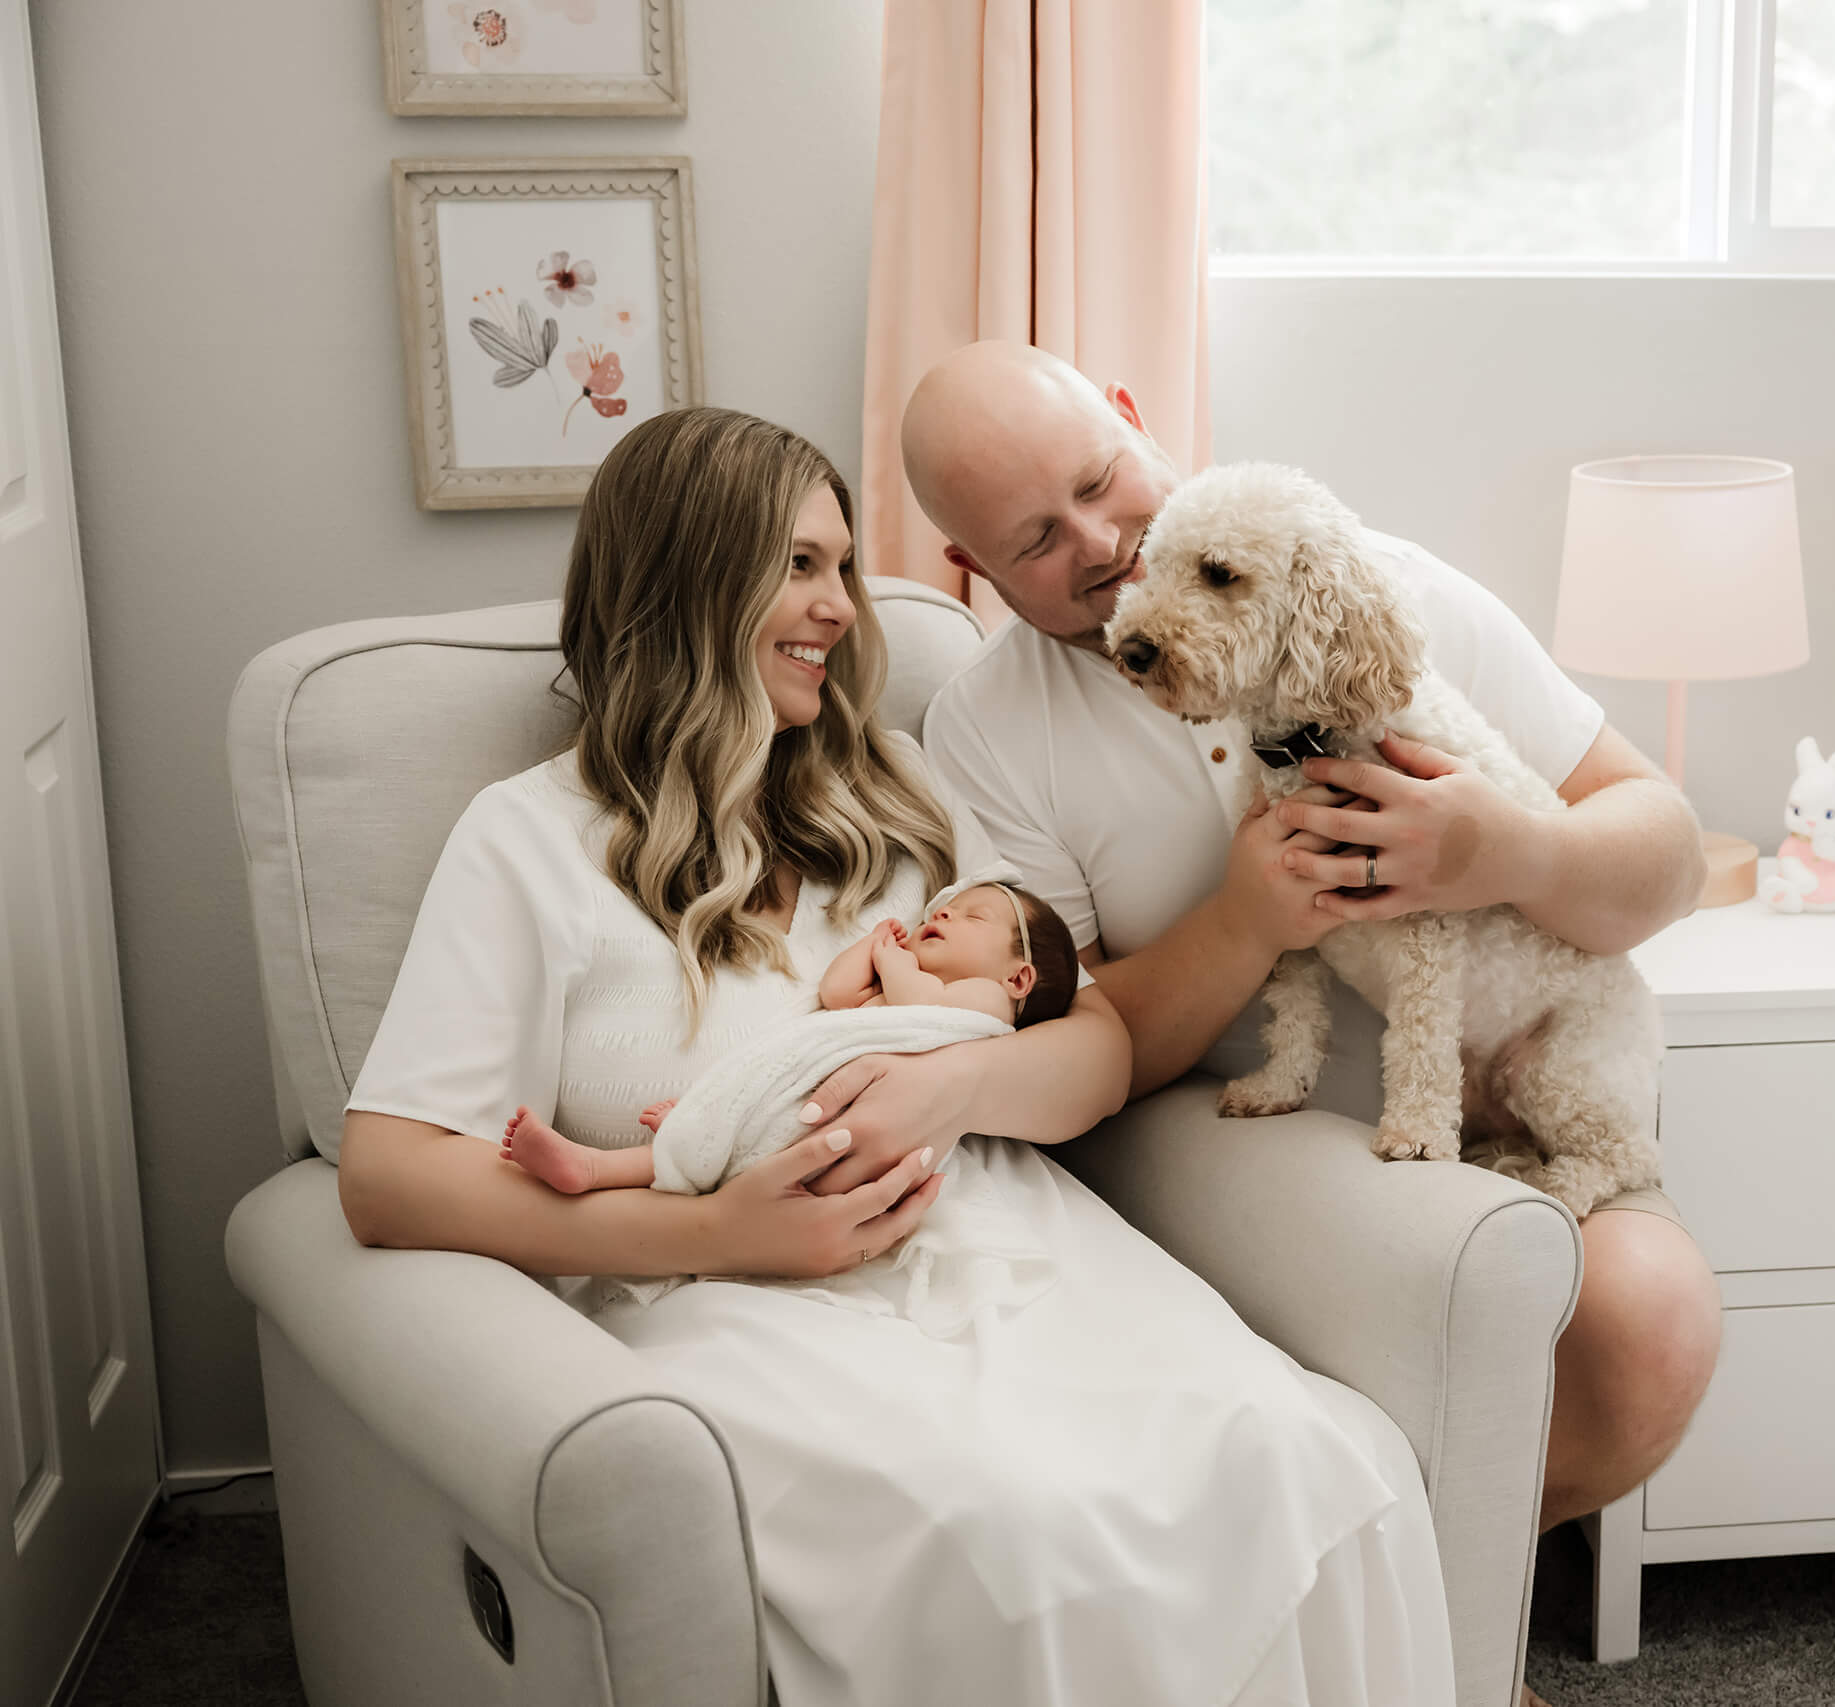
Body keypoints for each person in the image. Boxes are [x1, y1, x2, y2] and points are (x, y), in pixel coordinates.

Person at [334, 405, 1455, 1706]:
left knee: (1300, 1448)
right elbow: (387, 1173)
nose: (840, 606)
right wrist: (725, 1234)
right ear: (690, 575)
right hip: (730, 1295)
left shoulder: (902, 785)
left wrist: (959, 1081)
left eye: (845, 568)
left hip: (1004, 1240)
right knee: (1016, 1524)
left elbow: (1088, 1040)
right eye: (800, 565)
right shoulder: (529, 840)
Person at [903, 341, 1722, 1543]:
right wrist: (1243, 920)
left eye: (1096, 481)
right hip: (1235, 1126)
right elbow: (1067, 1045)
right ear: (970, 570)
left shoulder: (1376, 587)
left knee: (1650, 1330)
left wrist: (1506, 852)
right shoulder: (987, 728)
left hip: (1514, 1082)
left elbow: (1668, 854)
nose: (1094, 544)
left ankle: (1416, 1624)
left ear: (1134, 421)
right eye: (1033, 540)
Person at [497, 880, 1080, 1198]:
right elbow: (837, 995)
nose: (947, 915)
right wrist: (870, 946)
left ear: (1020, 976)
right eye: (947, 908)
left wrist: (892, 961)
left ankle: (617, 1162)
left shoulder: (987, 1003)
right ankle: (628, 1154)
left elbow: (919, 1004)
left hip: (854, 1125)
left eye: (972, 918)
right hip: (818, 1094)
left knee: (761, 1142)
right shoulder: (904, 987)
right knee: (746, 1121)